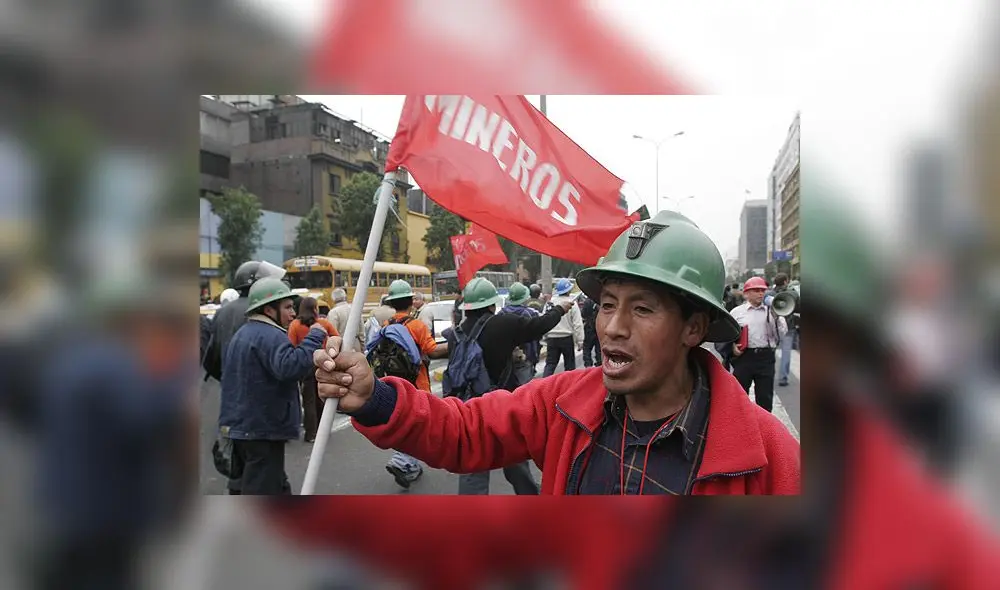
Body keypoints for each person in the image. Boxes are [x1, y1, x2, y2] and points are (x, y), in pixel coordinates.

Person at [314, 211, 800, 495]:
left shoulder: (769, 459)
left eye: (643, 309)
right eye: (607, 304)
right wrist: (373, 397)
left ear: (693, 327)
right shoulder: (564, 403)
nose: (613, 326)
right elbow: (462, 430)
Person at [444, 277, 567, 495]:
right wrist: (559, 309)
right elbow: (538, 326)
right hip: (502, 404)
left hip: (470, 407)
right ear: (491, 304)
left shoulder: (457, 333)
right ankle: (531, 499)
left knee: (474, 465)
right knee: (515, 454)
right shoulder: (504, 323)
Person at [218, 278, 328, 494]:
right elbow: (290, 367)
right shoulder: (270, 335)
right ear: (269, 310)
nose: (293, 313)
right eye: (287, 307)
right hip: (262, 429)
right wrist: (315, 337)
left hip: (242, 427)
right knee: (263, 489)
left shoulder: (245, 333)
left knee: (256, 484)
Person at [372, 279, 449, 488]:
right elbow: (433, 350)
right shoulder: (417, 326)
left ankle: (408, 462)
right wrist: (455, 344)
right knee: (417, 424)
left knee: (403, 420)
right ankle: (403, 460)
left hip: (394, 383)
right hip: (418, 383)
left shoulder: (386, 326)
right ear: (410, 301)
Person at [204, 260, 287, 382]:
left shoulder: (221, 312)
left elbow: (211, 359)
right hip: (260, 387)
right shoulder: (264, 309)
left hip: (230, 388)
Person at [729, 276, 787, 413]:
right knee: (740, 395)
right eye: (756, 290)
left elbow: (782, 334)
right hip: (744, 357)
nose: (760, 293)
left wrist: (777, 316)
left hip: (765, 357)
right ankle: (741, 426)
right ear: (747, 293)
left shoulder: (772, 311)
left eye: (762, 290)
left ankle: (764, 429)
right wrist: (732, 347)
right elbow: (728, 334)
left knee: (765, 397)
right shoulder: (737, 313)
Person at [288, 297, 339, 443]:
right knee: (322, 396)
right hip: (322, 362)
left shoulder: (295, 325)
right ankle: (323, 431)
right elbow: (336, 337)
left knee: (308, 399)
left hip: (305, 364)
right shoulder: (323, 323)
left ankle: (311, 433)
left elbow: (291, 344)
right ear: (315, 308)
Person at [498, 282, 544, 384]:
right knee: (525, 390)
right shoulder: (531, 313)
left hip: (506, 358)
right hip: (527, 356)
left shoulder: (501, 314)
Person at [542, 278, 584, 377]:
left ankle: (543, 385)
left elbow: (544, 320)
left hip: (552, 338)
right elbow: (578, 324)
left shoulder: (550, 303)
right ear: (568, 290)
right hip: (566, 338)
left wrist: (544, 338)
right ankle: (569, 387)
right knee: (569, 366)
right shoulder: (571, 303)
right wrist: (580, 341)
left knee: (550, 364)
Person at [771, 273, 797, 386]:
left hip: (772, 326)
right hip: (788, 327)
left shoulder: (770, 293)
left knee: (769, 352)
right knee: (786, 353)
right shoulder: (792, 294)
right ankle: (783, 378)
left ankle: (768, 374)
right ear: (786, 281)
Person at [327, 288, 365, 354]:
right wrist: (363, 347)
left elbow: (332, 334)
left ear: (333, 299)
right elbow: (362, 331)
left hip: (341, 346)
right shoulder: (355, 309)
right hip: (356, 343)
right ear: (345, 296)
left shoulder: (333, 312)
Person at [579, 293, 601, 368]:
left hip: (589, 327)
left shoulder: (588, 302)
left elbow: (583, 314)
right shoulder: (600, 301)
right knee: (599, 348)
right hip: (599, 327)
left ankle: (588, 365)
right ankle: (600, 364)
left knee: (587, 348)